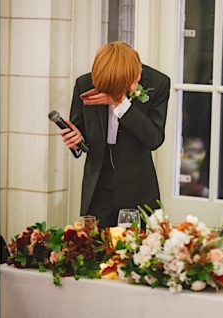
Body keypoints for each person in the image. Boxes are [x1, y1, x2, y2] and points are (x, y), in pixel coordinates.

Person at [59, 41, 169, 227]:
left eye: (134, 81)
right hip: (98, 183)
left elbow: (154, 139)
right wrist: (76, 140)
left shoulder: (158, 83)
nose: (133, 88)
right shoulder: (84, 84)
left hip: (137, 182)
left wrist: (121, 103)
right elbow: (80, 137)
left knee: (136, 243)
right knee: (94, 241)